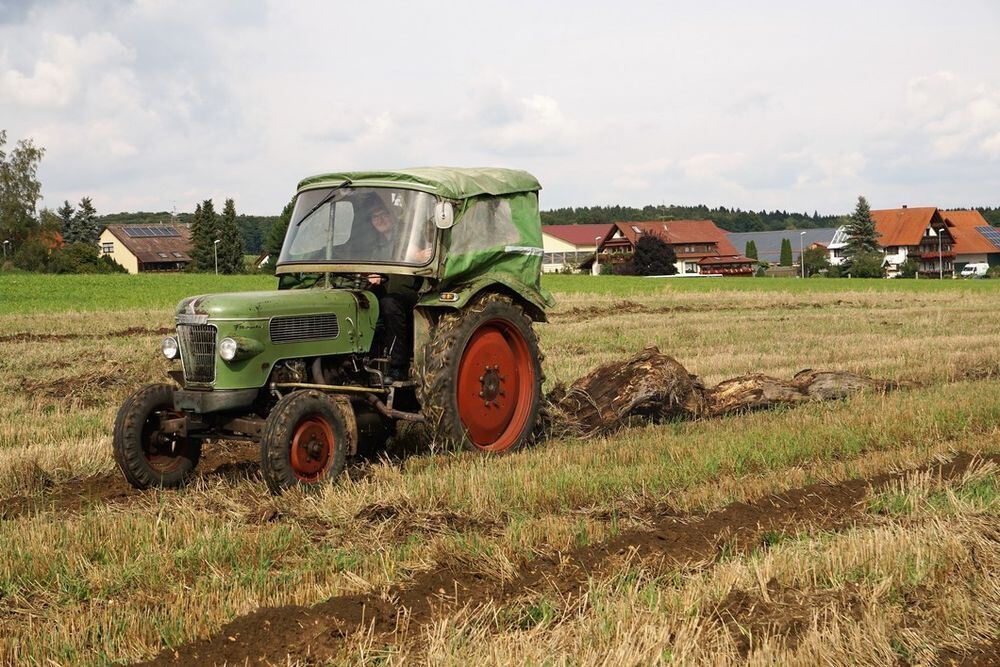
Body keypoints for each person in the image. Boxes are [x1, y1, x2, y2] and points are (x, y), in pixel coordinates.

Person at [356, 195, 425, 383]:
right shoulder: (377, 244)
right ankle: (360, 362)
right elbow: (371, 269)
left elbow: (421, 254)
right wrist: (370, 275)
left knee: (389, 304)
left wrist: (418, 255)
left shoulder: (407, 235)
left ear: (392, 215)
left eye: (383, 214)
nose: (380, 220)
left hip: (412, 292)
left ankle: (398, 367)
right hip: (387, 291)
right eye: (375, 217)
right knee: (360, 300)